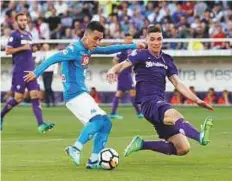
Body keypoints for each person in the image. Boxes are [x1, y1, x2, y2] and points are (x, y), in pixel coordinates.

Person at [24, 21, 145, 169]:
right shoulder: (75, 48)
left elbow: (108, 49)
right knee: (100, 120)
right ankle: (75, 148)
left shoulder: (89, 48)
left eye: (100, 39)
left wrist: (132, 46)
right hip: (74, 94)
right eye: (96, 38)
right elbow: (54, 57)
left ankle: (94, 160)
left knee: (106, 124)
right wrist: (36, 72)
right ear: (86, 35)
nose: (98, 42)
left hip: (81, 94)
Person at [106, 25, 214, 158]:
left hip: (159, 103)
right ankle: (200, 136)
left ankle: (141, 144)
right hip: (148, 103)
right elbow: (122, 64)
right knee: (172, 114)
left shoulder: (167, 59)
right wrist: (112, 70)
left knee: (183, 148)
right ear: (147, 40)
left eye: (159, 39)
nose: (156, 42)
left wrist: (197, 100)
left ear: (162, 40)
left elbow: (177, 83)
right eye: (152, 39)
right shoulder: (141, 54)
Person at [0, 12, 55, 133]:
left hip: (31, 71)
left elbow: (28, 49)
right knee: (18, 98)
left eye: (25, 20)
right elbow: (8, 51)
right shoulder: (14, 35)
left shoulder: (29, 35)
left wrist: (32, 49)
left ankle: (41, 125)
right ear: (16, 22)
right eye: (21, 20)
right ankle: (1, 115)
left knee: (35, 95)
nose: (23, 22)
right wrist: (22, 48)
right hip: (19, 71)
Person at [110, 33, 143, 120]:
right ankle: (139, 113)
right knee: (133, 92)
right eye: (128, 39)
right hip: (124, 74)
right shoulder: (122, 49)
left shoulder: (131, 48)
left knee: (119, 93)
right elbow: (115, 60)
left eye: (131, 39)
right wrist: (118, 70)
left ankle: (113, 113)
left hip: (127, 73)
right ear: (124, 39)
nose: (130, 40)